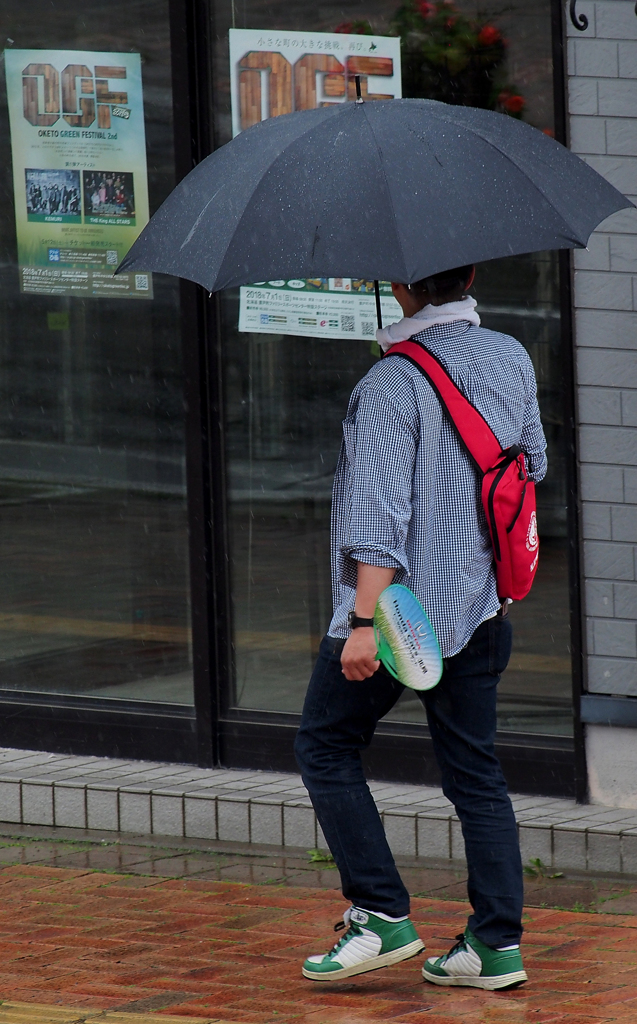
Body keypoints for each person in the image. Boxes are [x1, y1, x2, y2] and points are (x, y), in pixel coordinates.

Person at [295, 264, 546, 991]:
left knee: (325, 744)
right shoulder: (509, 354)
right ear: (469, 274)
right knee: (476, 777)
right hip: (482, 603)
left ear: (399, 286)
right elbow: (532, 464)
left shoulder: (387, 385)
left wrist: (364, 623)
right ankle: (494, 947)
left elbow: (377, 520)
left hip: (399, 616)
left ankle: (379, 912)